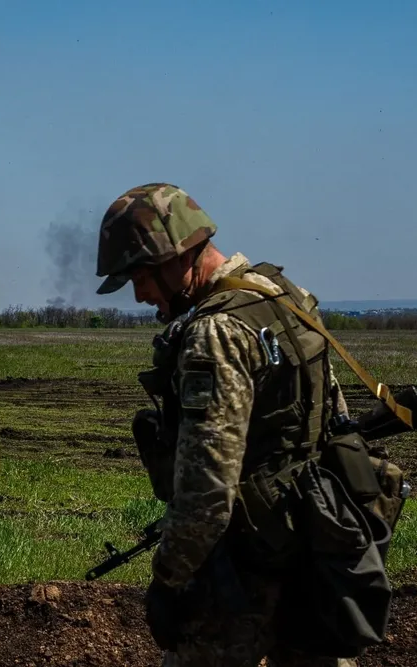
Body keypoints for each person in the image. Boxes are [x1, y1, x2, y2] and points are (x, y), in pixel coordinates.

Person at [95, 182, 361, 667]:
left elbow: (207, 487)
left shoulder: (215, 332)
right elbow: (331, 414)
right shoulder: (285, 295)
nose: (140, 295)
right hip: (317, 543)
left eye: (141, 277)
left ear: (179, 256)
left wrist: (170, 580)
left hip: (248, 564)